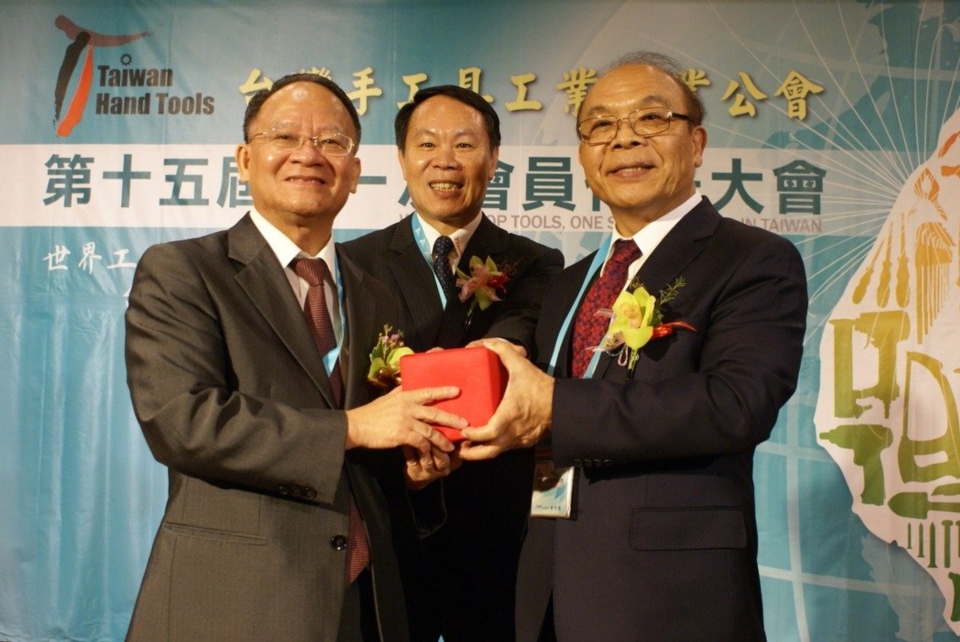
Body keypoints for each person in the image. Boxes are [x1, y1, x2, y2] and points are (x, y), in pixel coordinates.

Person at [459, 52, 808, 641]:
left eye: (650, 119)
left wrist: (555, 407)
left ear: (696, 143)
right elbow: (539, 426)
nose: (623, 140)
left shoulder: (753, 259)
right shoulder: (571, 281)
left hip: (670, 596)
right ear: (583, 156)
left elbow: (736, 404)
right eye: (600, 125)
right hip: (546, 585)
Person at [124, 72, 467, 642]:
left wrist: (410, 470)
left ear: (355, 174)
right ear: (244, 158)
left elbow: (373, 443)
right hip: (231, 603)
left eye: (332, 143)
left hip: (365, 604)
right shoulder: (183, 270)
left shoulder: (376, 293)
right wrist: (352, 429)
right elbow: (182, 421)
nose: (309, 155)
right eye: (285, 136)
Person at [341, 85, 563, 641]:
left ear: (492, 159)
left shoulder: (534, 260)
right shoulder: (354, 262)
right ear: (401, 159)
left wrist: (468, 361)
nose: (445, 160)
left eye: (464, 144)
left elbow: (516, 337)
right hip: (394, 520)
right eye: (427, 143)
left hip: (497, 523)